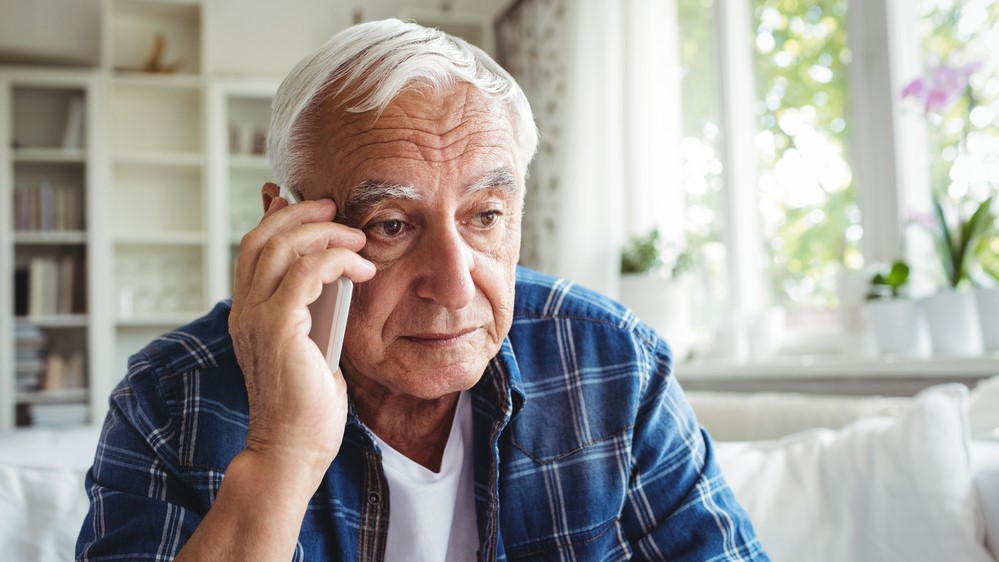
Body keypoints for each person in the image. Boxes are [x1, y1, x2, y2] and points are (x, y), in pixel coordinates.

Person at [77, 18, 769, 562]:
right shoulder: (167, 400)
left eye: (485, 216)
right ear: (286, 227)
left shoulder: (613, 363)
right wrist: (281, 455)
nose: (454, 282)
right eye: (390, 224)